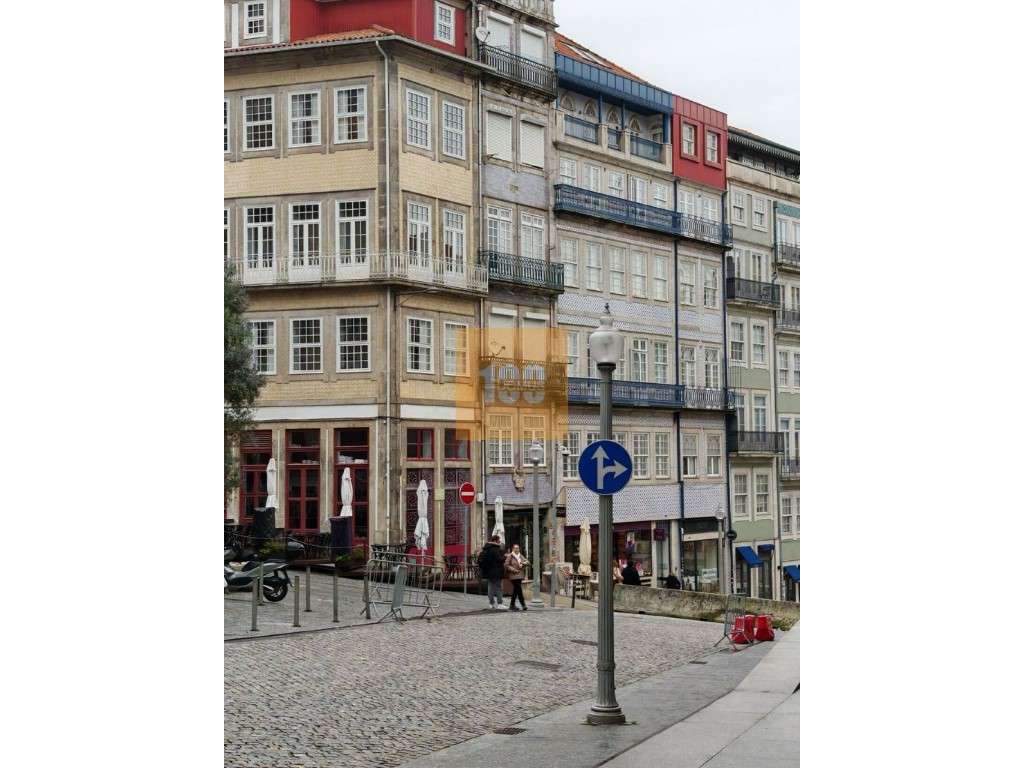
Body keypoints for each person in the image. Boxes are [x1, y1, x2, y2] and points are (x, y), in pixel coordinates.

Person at [478, 535, 507, 610]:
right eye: (499, 540)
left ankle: (491, 603)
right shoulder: (495, 549)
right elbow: (499, 559)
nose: (500, 541)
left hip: (488, 572)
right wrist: (505, 556)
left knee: (490, 587)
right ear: (495, 540)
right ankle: (500, 604)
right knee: (498, 587)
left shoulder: (486, 548)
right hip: (496, 571)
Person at [504, 543, 528, 611]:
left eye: (518, 548)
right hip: (513, 575)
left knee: (516, 590)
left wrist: (524, 563)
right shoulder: (510, 556)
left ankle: (512, 605)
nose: (517, 549)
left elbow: (527, 562)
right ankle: (523, 604)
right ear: (513, 549)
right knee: (519, 589)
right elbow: (506, 565)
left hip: (520, 575)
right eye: (515, 548)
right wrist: (513, 570)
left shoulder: (520, 555)